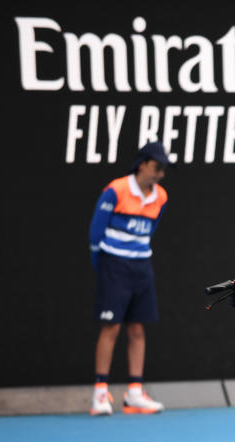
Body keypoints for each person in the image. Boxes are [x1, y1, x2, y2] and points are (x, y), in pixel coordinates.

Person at [87, 141, 172, 415]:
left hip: (141, 266)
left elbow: (151, 230)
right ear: (143, 163)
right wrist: (104, 264)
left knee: (137, 328)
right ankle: (100, 393)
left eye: (164, 169)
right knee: (111, 327)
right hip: (114, 265)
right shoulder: (117, 190)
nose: (161, 173)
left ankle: (134, 392)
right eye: (157, 167)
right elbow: (95, 233)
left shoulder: (161, 196)